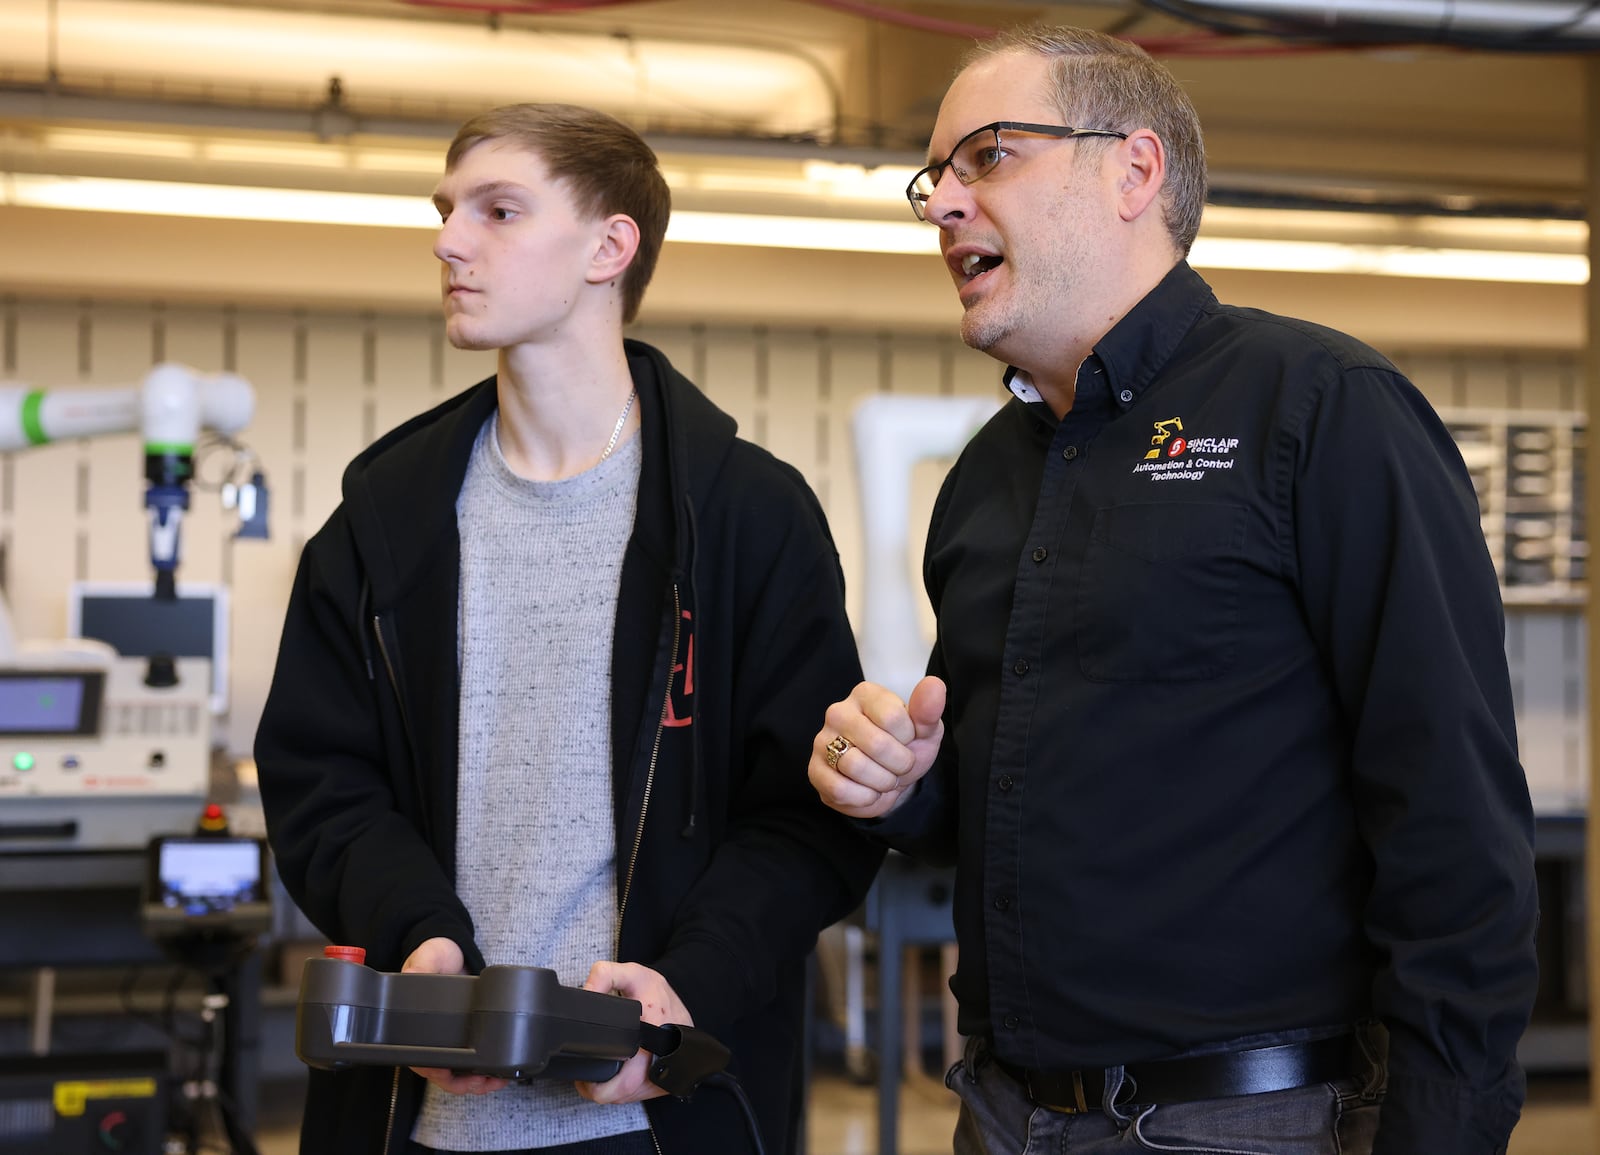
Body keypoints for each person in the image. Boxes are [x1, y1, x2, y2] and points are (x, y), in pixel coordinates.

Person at [808, 24, 1537, 1155]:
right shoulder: (987, 479)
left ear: (1132, 171)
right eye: (933, 178)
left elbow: (1451, 813)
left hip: (1255, 1121)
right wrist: (899, 783)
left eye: (988, 156)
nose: (942, 204)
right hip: (1004, 1114)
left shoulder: (1321, 409)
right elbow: (1002, 801)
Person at [255, 102, 883, 1155]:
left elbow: (805, 820)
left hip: (658, 1109)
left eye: (499, 210)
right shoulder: (381, 520)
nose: (450, 240)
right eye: (447, 210)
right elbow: (324, 787)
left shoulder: (742, 516)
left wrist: (687, 985)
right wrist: (421, 941)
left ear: (610, 246)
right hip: (414, 1115)